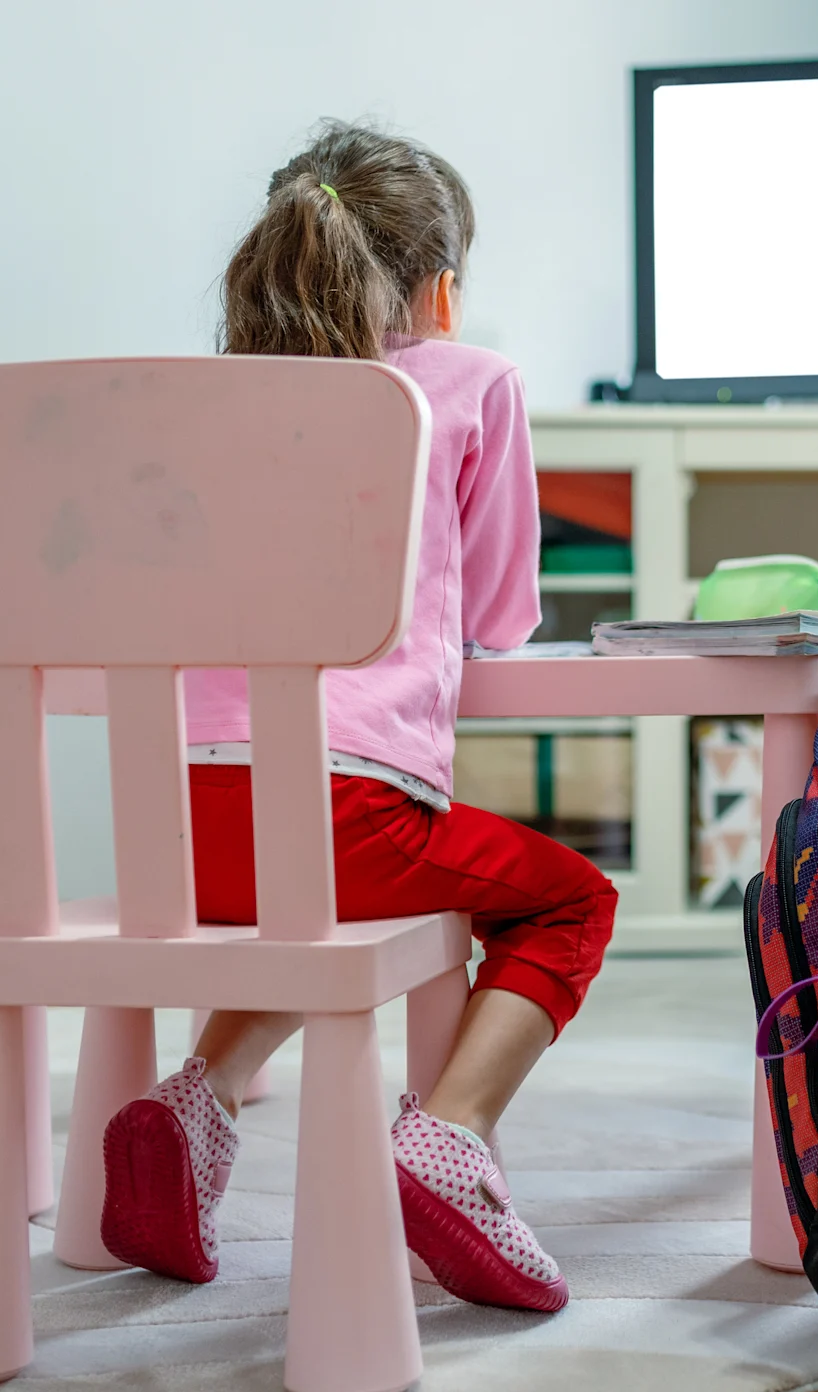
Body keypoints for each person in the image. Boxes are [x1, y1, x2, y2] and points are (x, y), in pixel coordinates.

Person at [96, 120, 615, 1314]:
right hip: (344, 813)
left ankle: (196, 1100)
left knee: (315, 901)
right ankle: (450, 1127)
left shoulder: (202, 400)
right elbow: (501, 613)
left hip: (173, 831)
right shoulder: (469, 381)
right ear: (440, 289)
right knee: (566, 896)